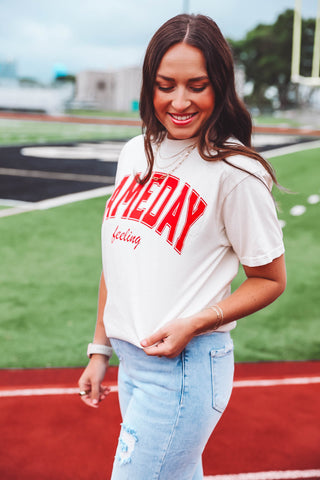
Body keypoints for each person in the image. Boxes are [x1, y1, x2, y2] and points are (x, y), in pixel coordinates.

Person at [78, 13, 286, 480]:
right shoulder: (136, 152)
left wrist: (197, 321)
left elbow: (271, 279)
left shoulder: (237, 172)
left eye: (197, 85)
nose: (180, 101)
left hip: (185, 368)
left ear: (221, 87)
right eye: (165, 84)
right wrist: (100, 351)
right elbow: (118, 263)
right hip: (133, 363)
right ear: (149, 86)